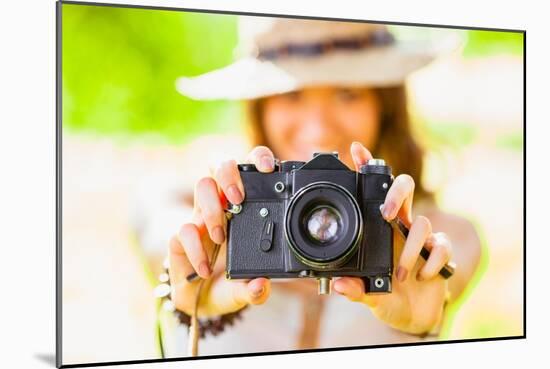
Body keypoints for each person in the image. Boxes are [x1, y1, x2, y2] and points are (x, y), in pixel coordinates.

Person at [155, 17, 481, 354]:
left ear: (384, 106)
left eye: (347, 93)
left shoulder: (425, 239)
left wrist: (429, 289)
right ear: (260, 107)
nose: (319, 126)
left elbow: (459, 248)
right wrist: (198, 263)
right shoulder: (207, 214)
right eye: (292, 94)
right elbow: (158, 227)